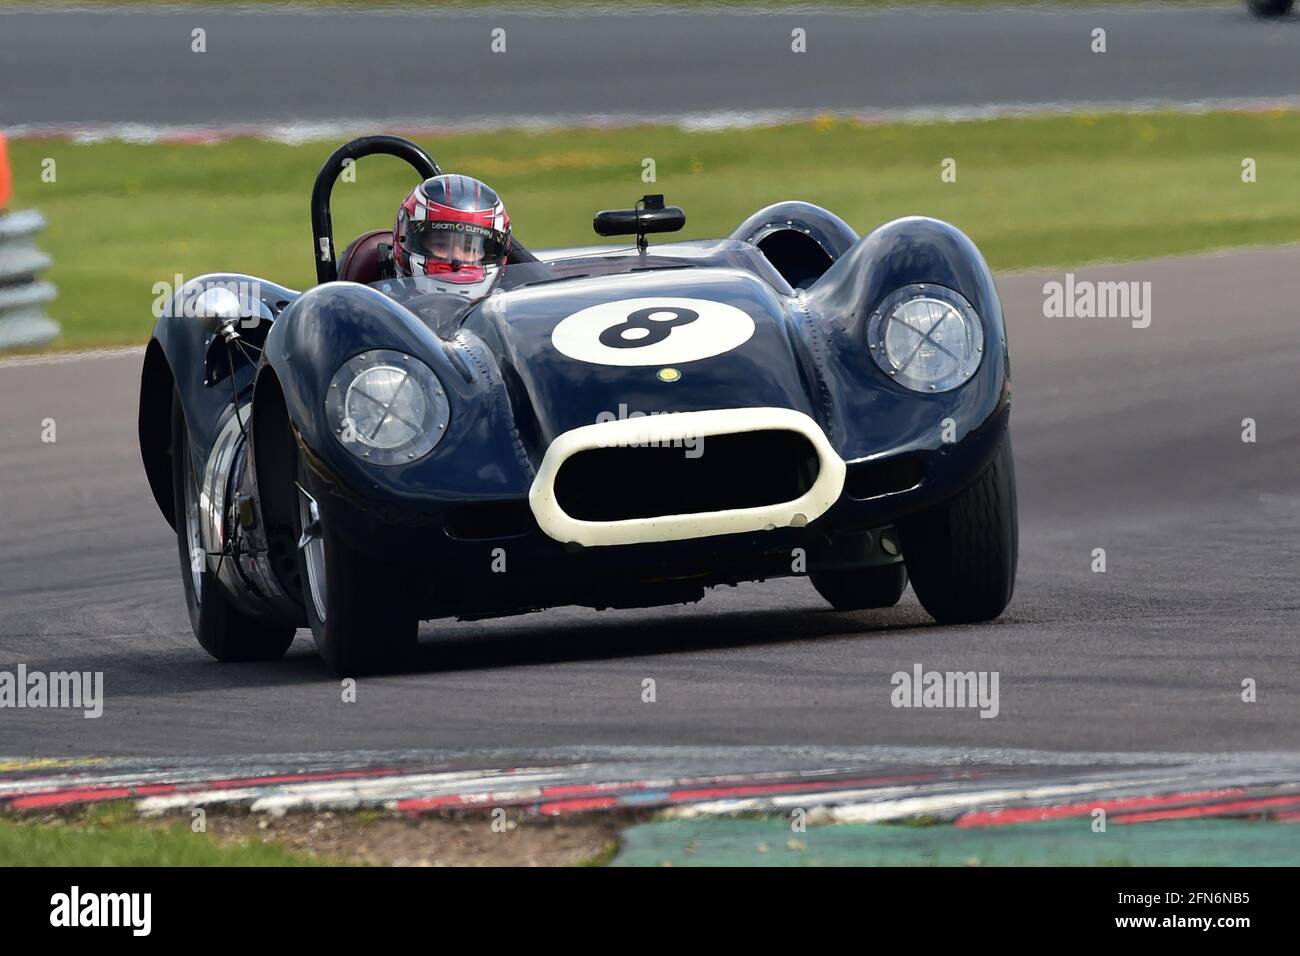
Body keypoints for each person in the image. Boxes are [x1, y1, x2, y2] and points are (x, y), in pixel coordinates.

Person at [392, 174, 511, 298]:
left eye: (469, 248)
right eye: (441, 245)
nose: (456, 257)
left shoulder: (503, 311)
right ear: (403, 238)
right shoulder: (380, 309)